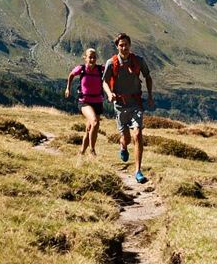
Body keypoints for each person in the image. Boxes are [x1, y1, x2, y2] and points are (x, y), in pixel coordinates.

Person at [103, 33, 154, 184]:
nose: (124, 48)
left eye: (126, 45)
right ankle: (123, 146)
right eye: (121, 45)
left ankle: (138, 171)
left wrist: (150, 95)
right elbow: (104, 81)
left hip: (135, 103)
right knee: (126, 138)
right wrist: (109, 93)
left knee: (137, 135)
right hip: (119, 105)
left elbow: (148, 77)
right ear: (117, 47)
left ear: (130, 45)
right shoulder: (111, 63)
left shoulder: (138, 61)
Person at [66, 48, 105, 157]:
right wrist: (68, 88)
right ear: (85, 58)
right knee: (95, 122)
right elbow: (71, 75)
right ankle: (92, 150)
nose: (92, 59)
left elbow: (112, 70)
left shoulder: (100, 69)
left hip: (98, 101)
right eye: (90, 57)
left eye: (94, 57)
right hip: (84, 102)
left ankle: (81, 152)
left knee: (90, 129)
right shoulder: (81, 69)